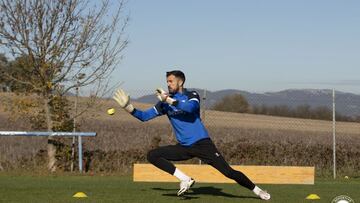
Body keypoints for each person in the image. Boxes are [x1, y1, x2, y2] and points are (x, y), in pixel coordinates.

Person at [113, 70, 271, 200]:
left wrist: (168, 100)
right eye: (167, 81)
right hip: (184, 147)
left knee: (229, 172)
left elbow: (190, 108)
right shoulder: (164, 103)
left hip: (202, 144)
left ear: (180, 82)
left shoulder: (191, 95)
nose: (168, 84)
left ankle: (257, 191)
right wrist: (129, 108)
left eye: (171, 81)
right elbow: (144, 117)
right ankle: (185, 179)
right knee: (153, 155)